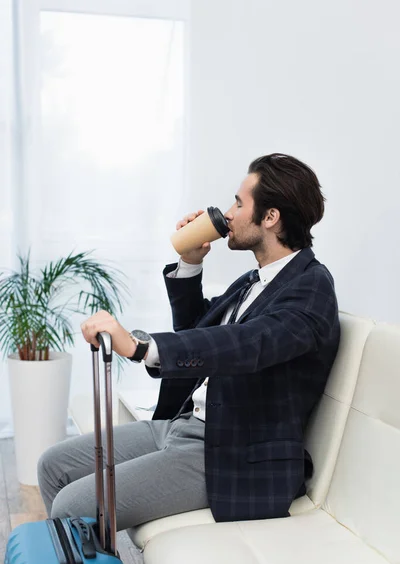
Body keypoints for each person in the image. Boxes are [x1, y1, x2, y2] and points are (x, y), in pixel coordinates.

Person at [38, 153, 340, 529]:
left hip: (230, 451)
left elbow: (246, 344)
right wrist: (190, 262)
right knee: (54, 466)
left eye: (239, 203)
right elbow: (199, 332)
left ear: (270, 217)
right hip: (187, 424)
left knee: (72, 505)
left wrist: (140, 346)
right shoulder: (257, 280)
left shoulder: (311, 287)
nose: (228, 214)